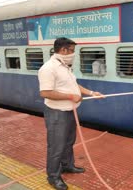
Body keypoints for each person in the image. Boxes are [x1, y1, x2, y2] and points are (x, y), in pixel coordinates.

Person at [38, 37, 104, 190]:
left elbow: (73, 85)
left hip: (69, 111)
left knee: (68, 141)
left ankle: (67, 165)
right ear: (63, 50)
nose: (73, 54)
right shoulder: (48, 68)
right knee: (56, 145)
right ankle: (53, 177)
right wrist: (70, 96)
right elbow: (45, 92)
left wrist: (91, 92)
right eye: (72, 51)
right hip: (56, 112)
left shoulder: (65, 66)